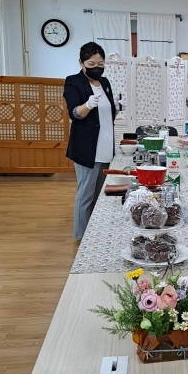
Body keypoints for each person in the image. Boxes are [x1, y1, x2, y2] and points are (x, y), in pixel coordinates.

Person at [63, 42, 117, 239]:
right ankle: (81, 236)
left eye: (101, 63)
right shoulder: (73, 82)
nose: (97, 67)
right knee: (85, 195)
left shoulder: (105, 83)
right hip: (87, 149)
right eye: (91, 63)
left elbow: (107, 114)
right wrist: (87, 105)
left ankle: (94, 233)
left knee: (99, 194)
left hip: (105, 146)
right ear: (81, 62)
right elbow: (74, 114)